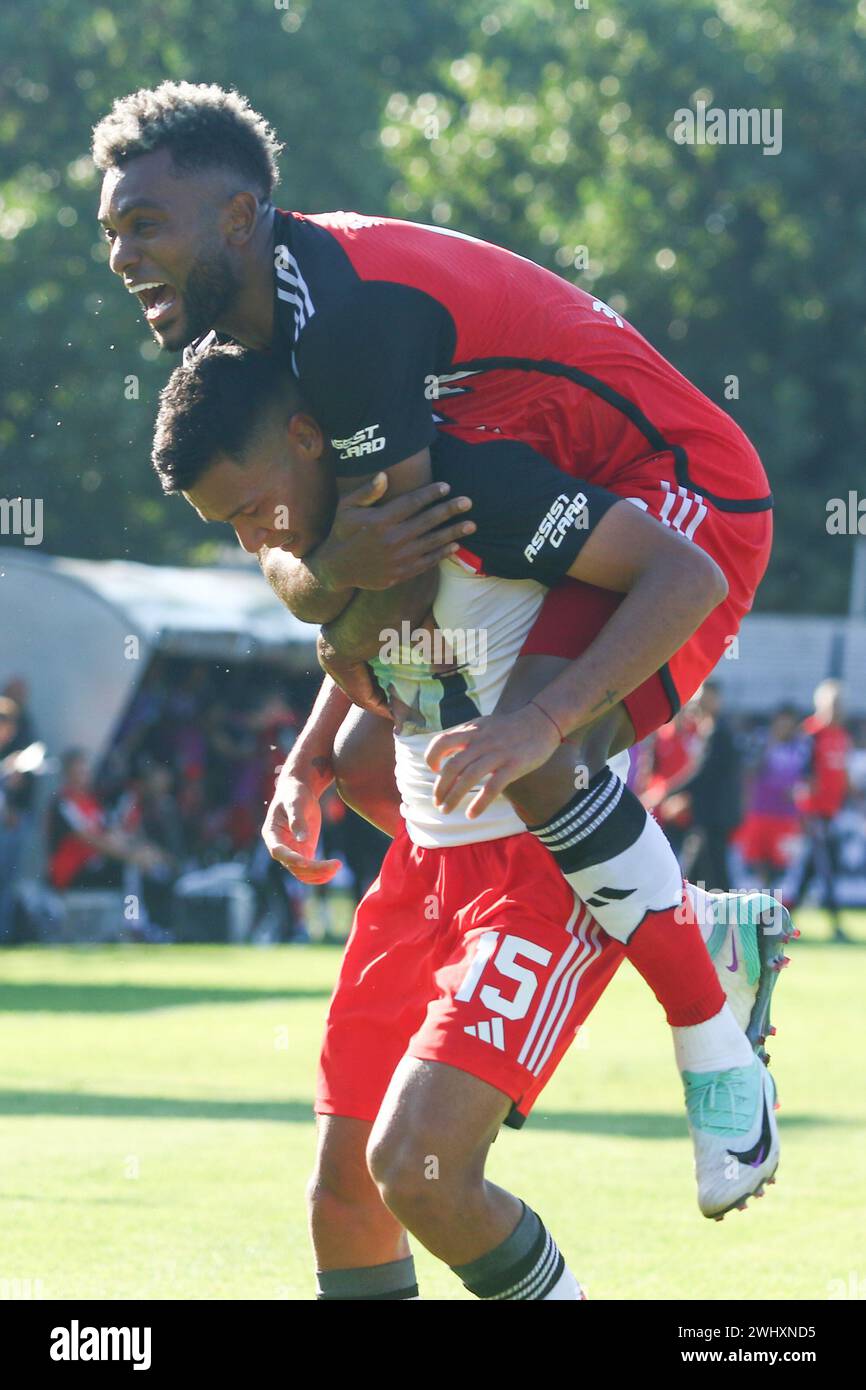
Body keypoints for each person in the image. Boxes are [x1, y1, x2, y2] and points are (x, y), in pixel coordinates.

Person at [93, 83, 790, 1214]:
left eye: (146, 224)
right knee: (382, 767)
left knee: (536, 739)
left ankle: (714, 1044)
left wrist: (334, 636)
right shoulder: (251, 329)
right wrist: (321, 738)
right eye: (112, 229)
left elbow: (388, 575)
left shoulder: (345, 326)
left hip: (679, 488)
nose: (123, 254)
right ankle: (678, 917)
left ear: (238, 217)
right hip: (563, 481)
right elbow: (329, 556)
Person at [151, 346, 790, 1236]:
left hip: (538, 860)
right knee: (344, 1195)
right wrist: (307, 757)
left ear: (308, 440)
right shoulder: (341, 519)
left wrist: (542, 722)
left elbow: (683, 573)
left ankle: (686, 969)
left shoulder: (463, 481)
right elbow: (368, 631)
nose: (255, 540)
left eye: (254, 511)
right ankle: (688, 922)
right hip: (422, 860)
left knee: (418, 1172)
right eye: (234, 525)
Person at [790, 680, 852, 942]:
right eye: (833, 704)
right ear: (821, 705)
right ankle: (836, 924)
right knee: (825, 867)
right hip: (813, 813)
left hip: (831, 811)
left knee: (811, 868)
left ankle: (785, 919)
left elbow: (842, 774)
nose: (837, 710)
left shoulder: (842, 736)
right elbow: (801, 776)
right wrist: (804, 812)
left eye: (840, 704)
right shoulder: (811, 733)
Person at [737, 705, 810, 895]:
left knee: (781, 869)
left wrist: (800, 798)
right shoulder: (762, 743)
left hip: (785, 817)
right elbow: (748, 774)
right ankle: (758, 908)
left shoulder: (801, 748)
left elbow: (807, 781)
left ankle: (774, 910)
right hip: (759, 813)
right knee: (756, 866)